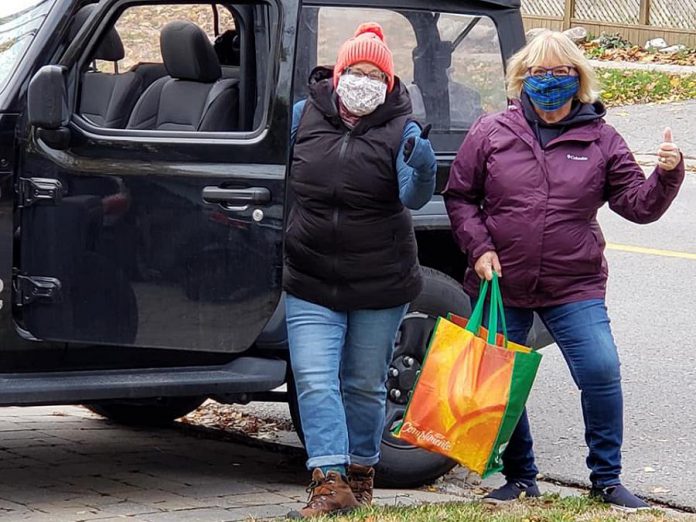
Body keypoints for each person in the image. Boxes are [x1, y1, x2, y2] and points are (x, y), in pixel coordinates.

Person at [444, 30, 683, 512]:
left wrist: (667, 174)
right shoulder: (492, 131)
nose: (548, 81)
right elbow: (460, 196)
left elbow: (637, 207)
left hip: (573, 284)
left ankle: (606, 479)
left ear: (578, 79)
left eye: (559, 72)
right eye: (538, 72)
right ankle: (520, 476)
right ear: (521, 78)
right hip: (500, 281)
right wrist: (479, 248)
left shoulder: (601, 139)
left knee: (600, 369)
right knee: (501, 379)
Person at [284, 23, 437, 518]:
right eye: (356, 71)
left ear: (390, 83)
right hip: (310, 276)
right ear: (338, 73)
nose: (364, 81)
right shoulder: (303, 117)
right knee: (313, 377)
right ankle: (327, 484)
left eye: (376, 74)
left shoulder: (402, 129)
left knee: (364, 384)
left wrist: (424, 167)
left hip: (380, 280)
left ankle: (360, 475)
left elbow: (413, 197)